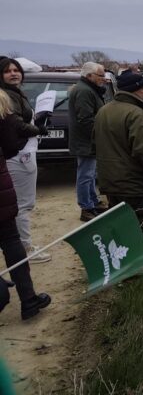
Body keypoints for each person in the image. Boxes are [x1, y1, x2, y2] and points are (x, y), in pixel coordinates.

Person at [0, 89, 51, 320]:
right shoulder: (3, 105)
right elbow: (12, 146)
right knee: (12, 244)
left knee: (12, 243)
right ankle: (28, 299)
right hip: (2, 189)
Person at [94, 71, 143, 227]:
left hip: (109, 180)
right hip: (133, 184)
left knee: (119, 225)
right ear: (135, 90)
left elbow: (95, 143)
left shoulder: (103, 111)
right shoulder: (136, 114)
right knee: (141, 226)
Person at [0, 57, 51, 263]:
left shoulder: (13, 94)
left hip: (20, 153)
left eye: (16, 70)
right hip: (19, 155)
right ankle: (25, 249)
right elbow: (16, 126)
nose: (14, 73)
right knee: (22, 204)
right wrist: (38, 129)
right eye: (7, 71)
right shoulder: (7, 96)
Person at [68, 62, 108, 222]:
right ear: (89, 76)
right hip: (86, 142)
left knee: (90, 174)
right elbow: (86, 120)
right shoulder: (84, 91)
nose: (104, 78)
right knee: (85, 175)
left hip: (88, 141)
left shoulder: (88, 89)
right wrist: (100, 137)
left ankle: (93, 202)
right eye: (101, 75)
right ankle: (86, 207)